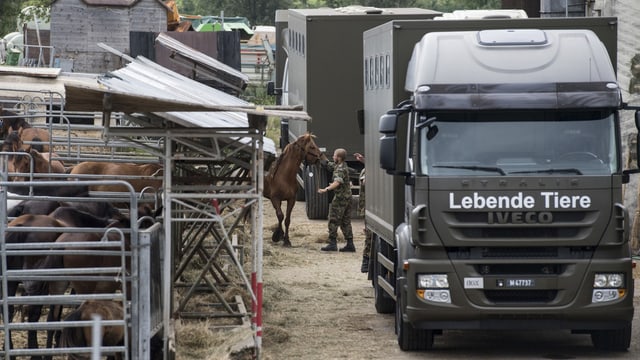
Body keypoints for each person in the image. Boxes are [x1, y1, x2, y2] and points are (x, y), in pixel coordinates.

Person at [318, 148, 355, 252]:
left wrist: (326, 189)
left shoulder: (340, 169)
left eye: (334, 155)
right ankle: (350, 244)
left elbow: (337, 182)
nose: (333, 157)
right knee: (345, 221)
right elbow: (329, 165)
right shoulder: (342, 165)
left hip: (340, 199)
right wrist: (321, 156)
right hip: (348, 197)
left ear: (338, 158)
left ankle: (332, 243)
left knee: (333, 220)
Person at [354, 152, 372, 273]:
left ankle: (366, 262)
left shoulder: (369, 171)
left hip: (370, 209)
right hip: (367, 209)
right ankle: (365, 262)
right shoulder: (367, 170)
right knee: (369, 236)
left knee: (369, 237)